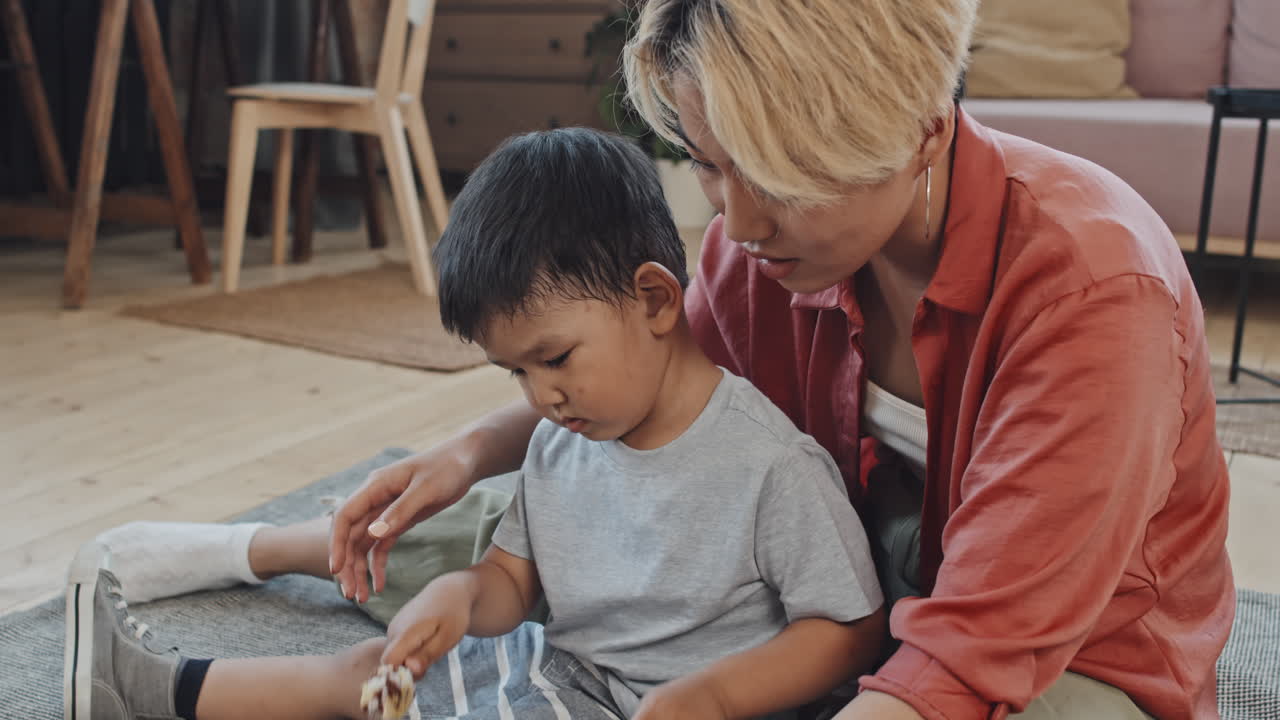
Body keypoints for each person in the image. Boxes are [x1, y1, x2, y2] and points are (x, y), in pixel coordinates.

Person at [320, 1, 1232, 718]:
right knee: (518, 520)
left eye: (780, 174)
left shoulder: (1095, 293)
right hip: (847, 560)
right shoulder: (762, 252)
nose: (738, 223)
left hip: (1072, 646)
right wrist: (471, 450)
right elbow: (656, 393)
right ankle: (238, 551)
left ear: (921, 127)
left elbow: (974, 650)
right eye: (710, 165)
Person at [64, 128, 885, 720]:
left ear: (657, 299)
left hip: (696, 707)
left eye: (556, 358)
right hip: (571, 672)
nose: (541, 395)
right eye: (516, 373)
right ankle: (147, 687)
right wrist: (458, 597)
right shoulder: (566, 443)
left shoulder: (771, 463)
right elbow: (513, 582)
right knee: (375, 673)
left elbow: (852, 631)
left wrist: (710, 696)